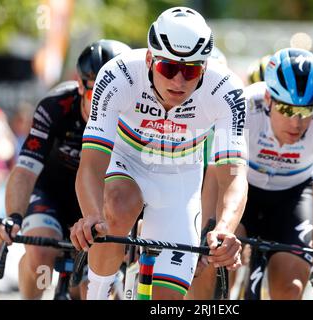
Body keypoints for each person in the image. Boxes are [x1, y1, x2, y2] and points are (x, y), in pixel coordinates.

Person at [69, 7, 248, 300]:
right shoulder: (118, 74)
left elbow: (234, 174)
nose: (178, 81)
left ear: (204, 66)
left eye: (190, 71)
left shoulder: (226, 89)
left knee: (164, 302)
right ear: (150, 59)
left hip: (180, 177)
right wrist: (92, 215)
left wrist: (226, 229)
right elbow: (91, 164)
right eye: (168, 69)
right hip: (128, 160)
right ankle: (97, 293)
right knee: (117, 205)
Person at [0, 39, 131, 299]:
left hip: (100, 202)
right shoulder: (55, 107)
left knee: (86, 289)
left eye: (116, 96)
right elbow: (25, 171)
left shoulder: (136, 117)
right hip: (52, 194)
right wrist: (14, 217)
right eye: (95, 94)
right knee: (41, 257)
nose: (104, 104)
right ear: (80, 85)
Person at [195, 48, 313, 299]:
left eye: (306, 111)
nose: (296, 122)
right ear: (268, 99)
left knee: (291, 287)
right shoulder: (242, 105)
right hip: (240, 189)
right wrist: (205, 235)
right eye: (286, 110)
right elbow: (217, 176)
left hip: (292, 197)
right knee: (216, 270)